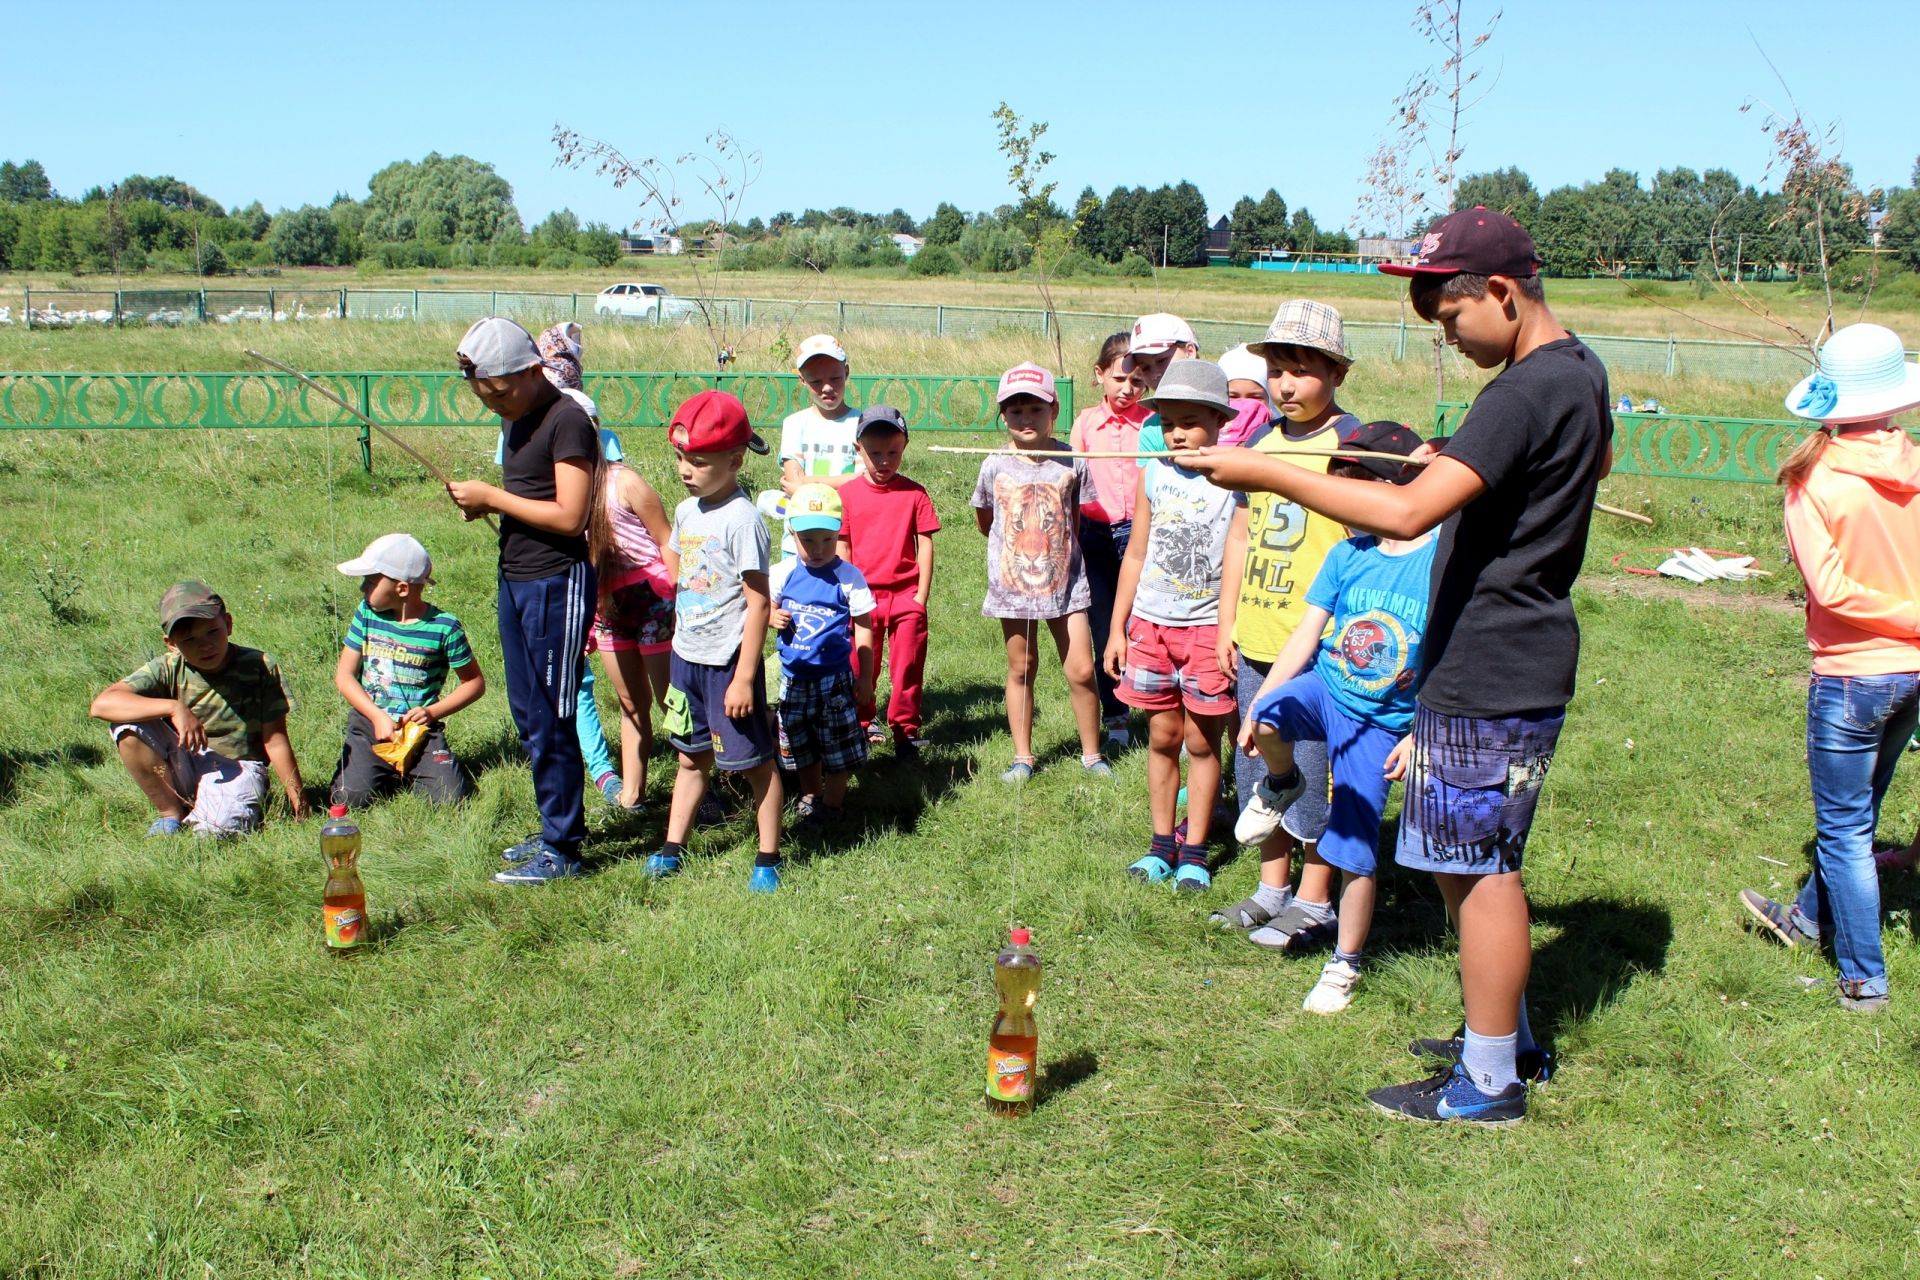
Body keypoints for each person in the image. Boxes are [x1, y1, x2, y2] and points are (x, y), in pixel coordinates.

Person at [1181, 206, 1611, 1126]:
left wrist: (1268, 472)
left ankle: (1488, 1084)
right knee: (1468, 862)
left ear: (1500, 291)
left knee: (1480, 871)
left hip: (1492, 661)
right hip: (1519, 650)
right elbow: (1583, 464)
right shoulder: (1582, 372)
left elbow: (1408, 515)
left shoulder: (1523, 392)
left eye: (1452, 320)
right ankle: (1507, 1039)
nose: (1451, 341)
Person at [1739, 322, 1920, 1014]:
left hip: (1852, 674)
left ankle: (1862, 978)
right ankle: (1806, 918)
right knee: (1861, 810)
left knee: (1844, 828)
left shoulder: (1813, 479)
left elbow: (1832, 590)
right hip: (1911, 676)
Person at [1234, 424, 1436, 1014]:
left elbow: (1453, 656)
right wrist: (1258, 704)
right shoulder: (1347, 554)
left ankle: (1344, 961)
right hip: (1328, 687)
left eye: (1352, 493)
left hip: (1382, 721)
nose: (1342, 512)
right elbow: (1306, 634)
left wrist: (1422, 733)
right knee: (1270, 714)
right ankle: (1282, 782)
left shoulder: (1438, 560)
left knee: (1353, 845)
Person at [1210, 300, 1362, 949]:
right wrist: (1226, 624)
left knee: (1315, 771)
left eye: (1302, 370)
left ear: (1336, 375)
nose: (1286, 385)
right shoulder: (1259, 445)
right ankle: (1272, 885)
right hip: (1257, 640)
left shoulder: (1352, 446)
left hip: (1322, 650)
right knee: (1266, 776)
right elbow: (1241, 535)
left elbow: (1368, 544)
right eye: (1277, 370)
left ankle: (1315, 896)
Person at [448, 316, 602, 885]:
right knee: (528, 713)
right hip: (516, 576)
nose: (495, 406)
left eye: (502, 393)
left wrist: (492, 496)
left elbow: (569, 516)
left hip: (557, 583)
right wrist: (490, 506)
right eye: (484, 397)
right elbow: (528, 498)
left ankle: (563, 851)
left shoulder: (567, 420)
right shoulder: (517, 419)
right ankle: (552, 827)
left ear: (533, 370)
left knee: (553, 713)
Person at [1102, 361, 1240, 890]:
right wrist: (1118, 629)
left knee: (1203, 743)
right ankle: (1162, 844)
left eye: (1191, 420)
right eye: (1168, 420)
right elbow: (1135, 555)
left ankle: (1197, 851)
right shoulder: (1153, 472)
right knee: (1162, 735)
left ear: (1220, 420)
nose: (1177, 431)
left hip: (1206, 629)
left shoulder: (1234, 479)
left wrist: (1227, 628)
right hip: (1151, 627)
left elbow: (1239, 551)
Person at [648, 390, 785, 892]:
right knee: (690, 757)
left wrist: (745, 677)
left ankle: (768, 857)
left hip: (728, 666)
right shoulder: (686, 512)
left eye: (698, 461)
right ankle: (671, 847)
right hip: (687, 660)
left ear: (735, 460)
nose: (686, 470)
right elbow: (683, 573)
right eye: (681, 459)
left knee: (754, 765)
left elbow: (758, 604)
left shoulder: (743, 520)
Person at [971, 362, 1108, 784]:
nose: (1025, 419)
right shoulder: (994, 465)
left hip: (1067, 586)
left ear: (1054, 411)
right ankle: (1023, 757)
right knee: (1021, 667)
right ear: (1003, 416)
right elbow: (985, 518)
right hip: (1013, 588)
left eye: (1035, 409)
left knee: (1082, 669)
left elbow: (1075, 518)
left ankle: (1092, 754)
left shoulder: (1071, 460)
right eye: (1015, 411)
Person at [90, 580, 308, 836]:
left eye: (212, 632)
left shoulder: (258, 665)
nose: (204, 646)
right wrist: (174, 708)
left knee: (214, 833)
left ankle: (210, 811)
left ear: (227, 624)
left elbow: (275, 740)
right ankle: (170, 813)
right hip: (183, 761)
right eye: (189, 639)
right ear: (171, 643)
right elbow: (102, 705)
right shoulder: (167, 668)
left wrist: (298, 798)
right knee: (127, 726)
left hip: (236, 767)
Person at [329, 534, 487, 808]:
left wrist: (431, 713)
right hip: (369, 724)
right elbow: (344, 676)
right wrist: (376, 716)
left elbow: (474, 683)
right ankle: (384, 769)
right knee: (347, 797)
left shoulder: (444, 628)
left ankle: (406, 767)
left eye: (370, 581)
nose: (362, 588)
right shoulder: (366, 614)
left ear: (402, 588)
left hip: (419, 731)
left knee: (453, 800)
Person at [770, 484, 878, 829]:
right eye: (808, 541)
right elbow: (762, 607)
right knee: (799, 740)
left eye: (826, 540)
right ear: (792, 533)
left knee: (837, 741)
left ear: (838, 534)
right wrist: (771, 616)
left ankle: (832, 804)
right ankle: (810, 795)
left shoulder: (848, 576)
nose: (818, 550)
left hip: (833, 679)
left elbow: (864, 628)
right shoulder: (782, 573)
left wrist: (864, 678)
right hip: (794, 677)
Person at [837, 404, 940, 756]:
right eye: (875, 453)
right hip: (863, 598)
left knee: (908, 664)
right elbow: (843, 547)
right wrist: (848, 595)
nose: (884, 461)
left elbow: (924, 544)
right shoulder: (847, 495)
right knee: (859, 663)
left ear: (905, 447)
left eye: (892, 453)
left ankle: (906, 730)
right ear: (858, 450)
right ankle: (862, 723)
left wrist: (920, 597)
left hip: (905, 597)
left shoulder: (915, 493)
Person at [1070, 331, 1151, 750]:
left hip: (1143, 534)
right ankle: (1117, 715)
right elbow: (1072, 482)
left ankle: (1157, 706)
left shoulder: (1153, 423)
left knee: (1146, 625)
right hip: (1096, 537)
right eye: (1119, 379)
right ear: (1099, 374)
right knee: (1106, 627)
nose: (1127, 389)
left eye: (1137, 382)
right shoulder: (1084, 424)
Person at [590, 434, 678, 812]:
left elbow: (665, 540)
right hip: (607, 605)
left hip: (651, 598)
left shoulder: (623, 481)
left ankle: (705, 785)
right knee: (630, 701)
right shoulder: (559, 491)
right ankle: (632, 793)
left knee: (671, 701)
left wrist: (682, 601)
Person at [777, 334, 863, 555]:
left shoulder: (862, 424)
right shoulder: (795, 424)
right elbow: (793, 481)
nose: (826, 388)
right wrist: (842, 483)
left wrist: (810, 482)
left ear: (847, 372)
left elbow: (863, 480)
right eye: (816, 381)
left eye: (835, 378)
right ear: (802, 380)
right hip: (799, 541)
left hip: (844, 537)